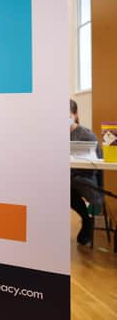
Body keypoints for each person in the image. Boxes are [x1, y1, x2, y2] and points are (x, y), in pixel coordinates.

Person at [69, 99, 103, 246]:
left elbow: (99, 162)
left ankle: (87, 222)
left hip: (86, 180)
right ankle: (86, 220)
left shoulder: (86, 135)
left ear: (75, 115)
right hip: (67, 181)